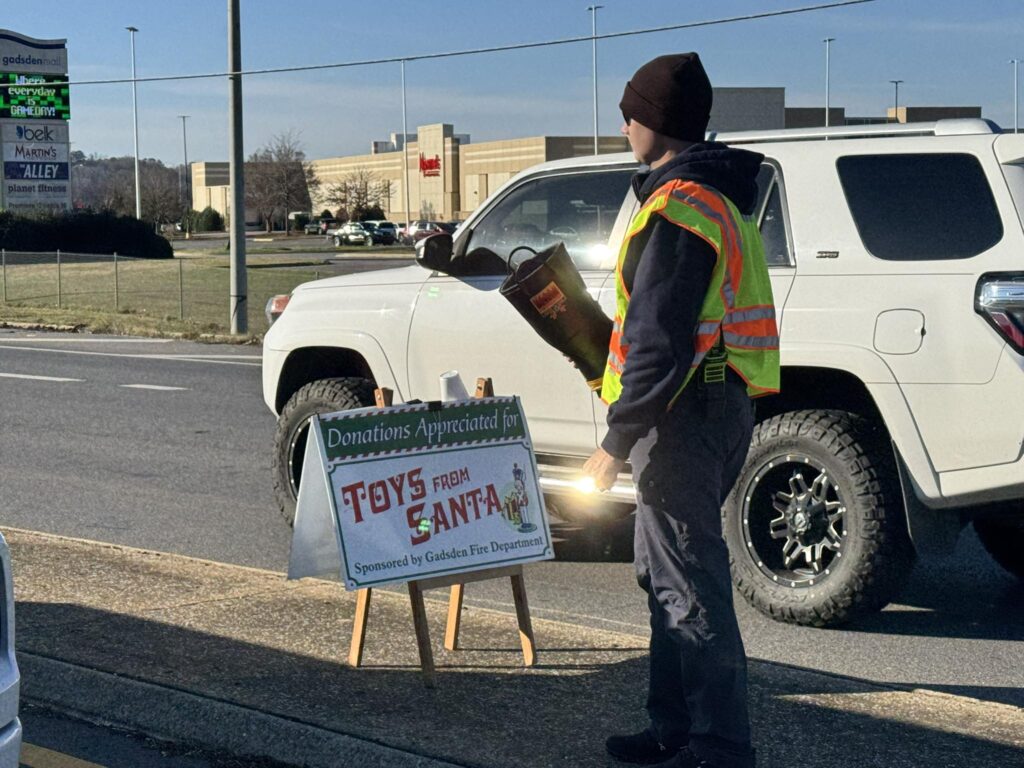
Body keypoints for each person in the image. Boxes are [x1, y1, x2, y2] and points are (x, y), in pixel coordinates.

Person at [582, 52, 780, 768]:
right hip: (717, 408)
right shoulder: (721, 199)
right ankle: (672, 727)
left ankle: (720, 746)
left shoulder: (679, 207)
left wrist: (615, 440)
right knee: (666, 574)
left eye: (628, 115)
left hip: (683, 420)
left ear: (650, 123)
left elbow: (659, 341)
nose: (624, 127)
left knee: (688, 583)